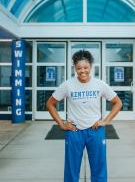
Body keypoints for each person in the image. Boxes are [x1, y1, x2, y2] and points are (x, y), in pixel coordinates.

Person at [46, 50, 122, 182]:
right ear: (75, 68)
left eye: (85, 67)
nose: (82, 71)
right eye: (79, 68)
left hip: (95, 130)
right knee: (71, 170)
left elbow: (118, 103)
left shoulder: (99, 84)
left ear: (91, 67)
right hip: (75, 131)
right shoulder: (67, 85)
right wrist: (62, 124)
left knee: (99, 169)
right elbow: (50, 104)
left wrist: (105, 121)